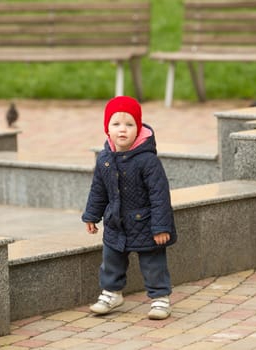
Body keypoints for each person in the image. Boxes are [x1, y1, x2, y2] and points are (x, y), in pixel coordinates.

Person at [82, 95, 177, 320]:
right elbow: (98, 190)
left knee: (153, 263)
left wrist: (161, 227)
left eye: (129, 124)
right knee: (111, 260)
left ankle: (160, 298)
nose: (122, 130)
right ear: (107, 128)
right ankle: (111, 293)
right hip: (116, 222)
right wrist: (91, 216)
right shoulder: (105, 159)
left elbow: (159, 195)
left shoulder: (147, 161)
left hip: (146, 222)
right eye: (116, 124)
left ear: (139, 128)